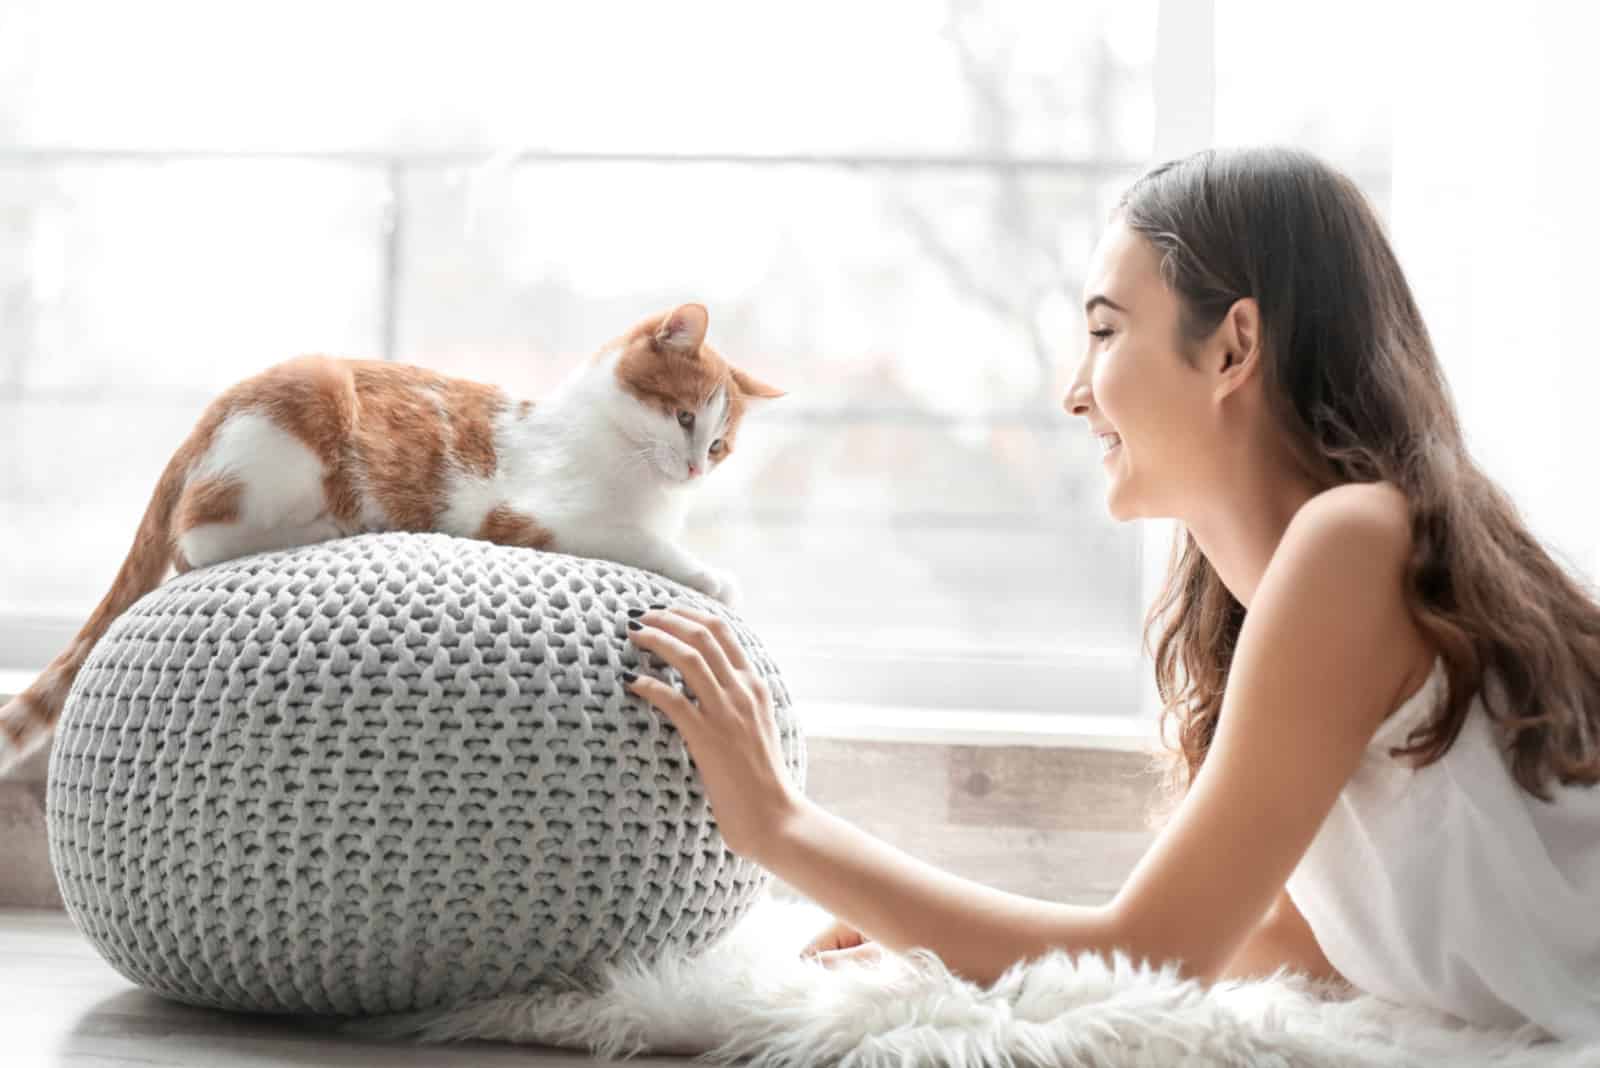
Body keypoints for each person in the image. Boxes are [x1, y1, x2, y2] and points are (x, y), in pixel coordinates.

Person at [620, 145, 1600, 1042]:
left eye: (1104, 330)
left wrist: (779, 825)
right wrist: (943, 947)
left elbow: (1152, 952)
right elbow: (1286, 944)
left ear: (1231, 347)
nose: (1076, 390)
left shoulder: (1352, 543)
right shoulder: (1322, 580)